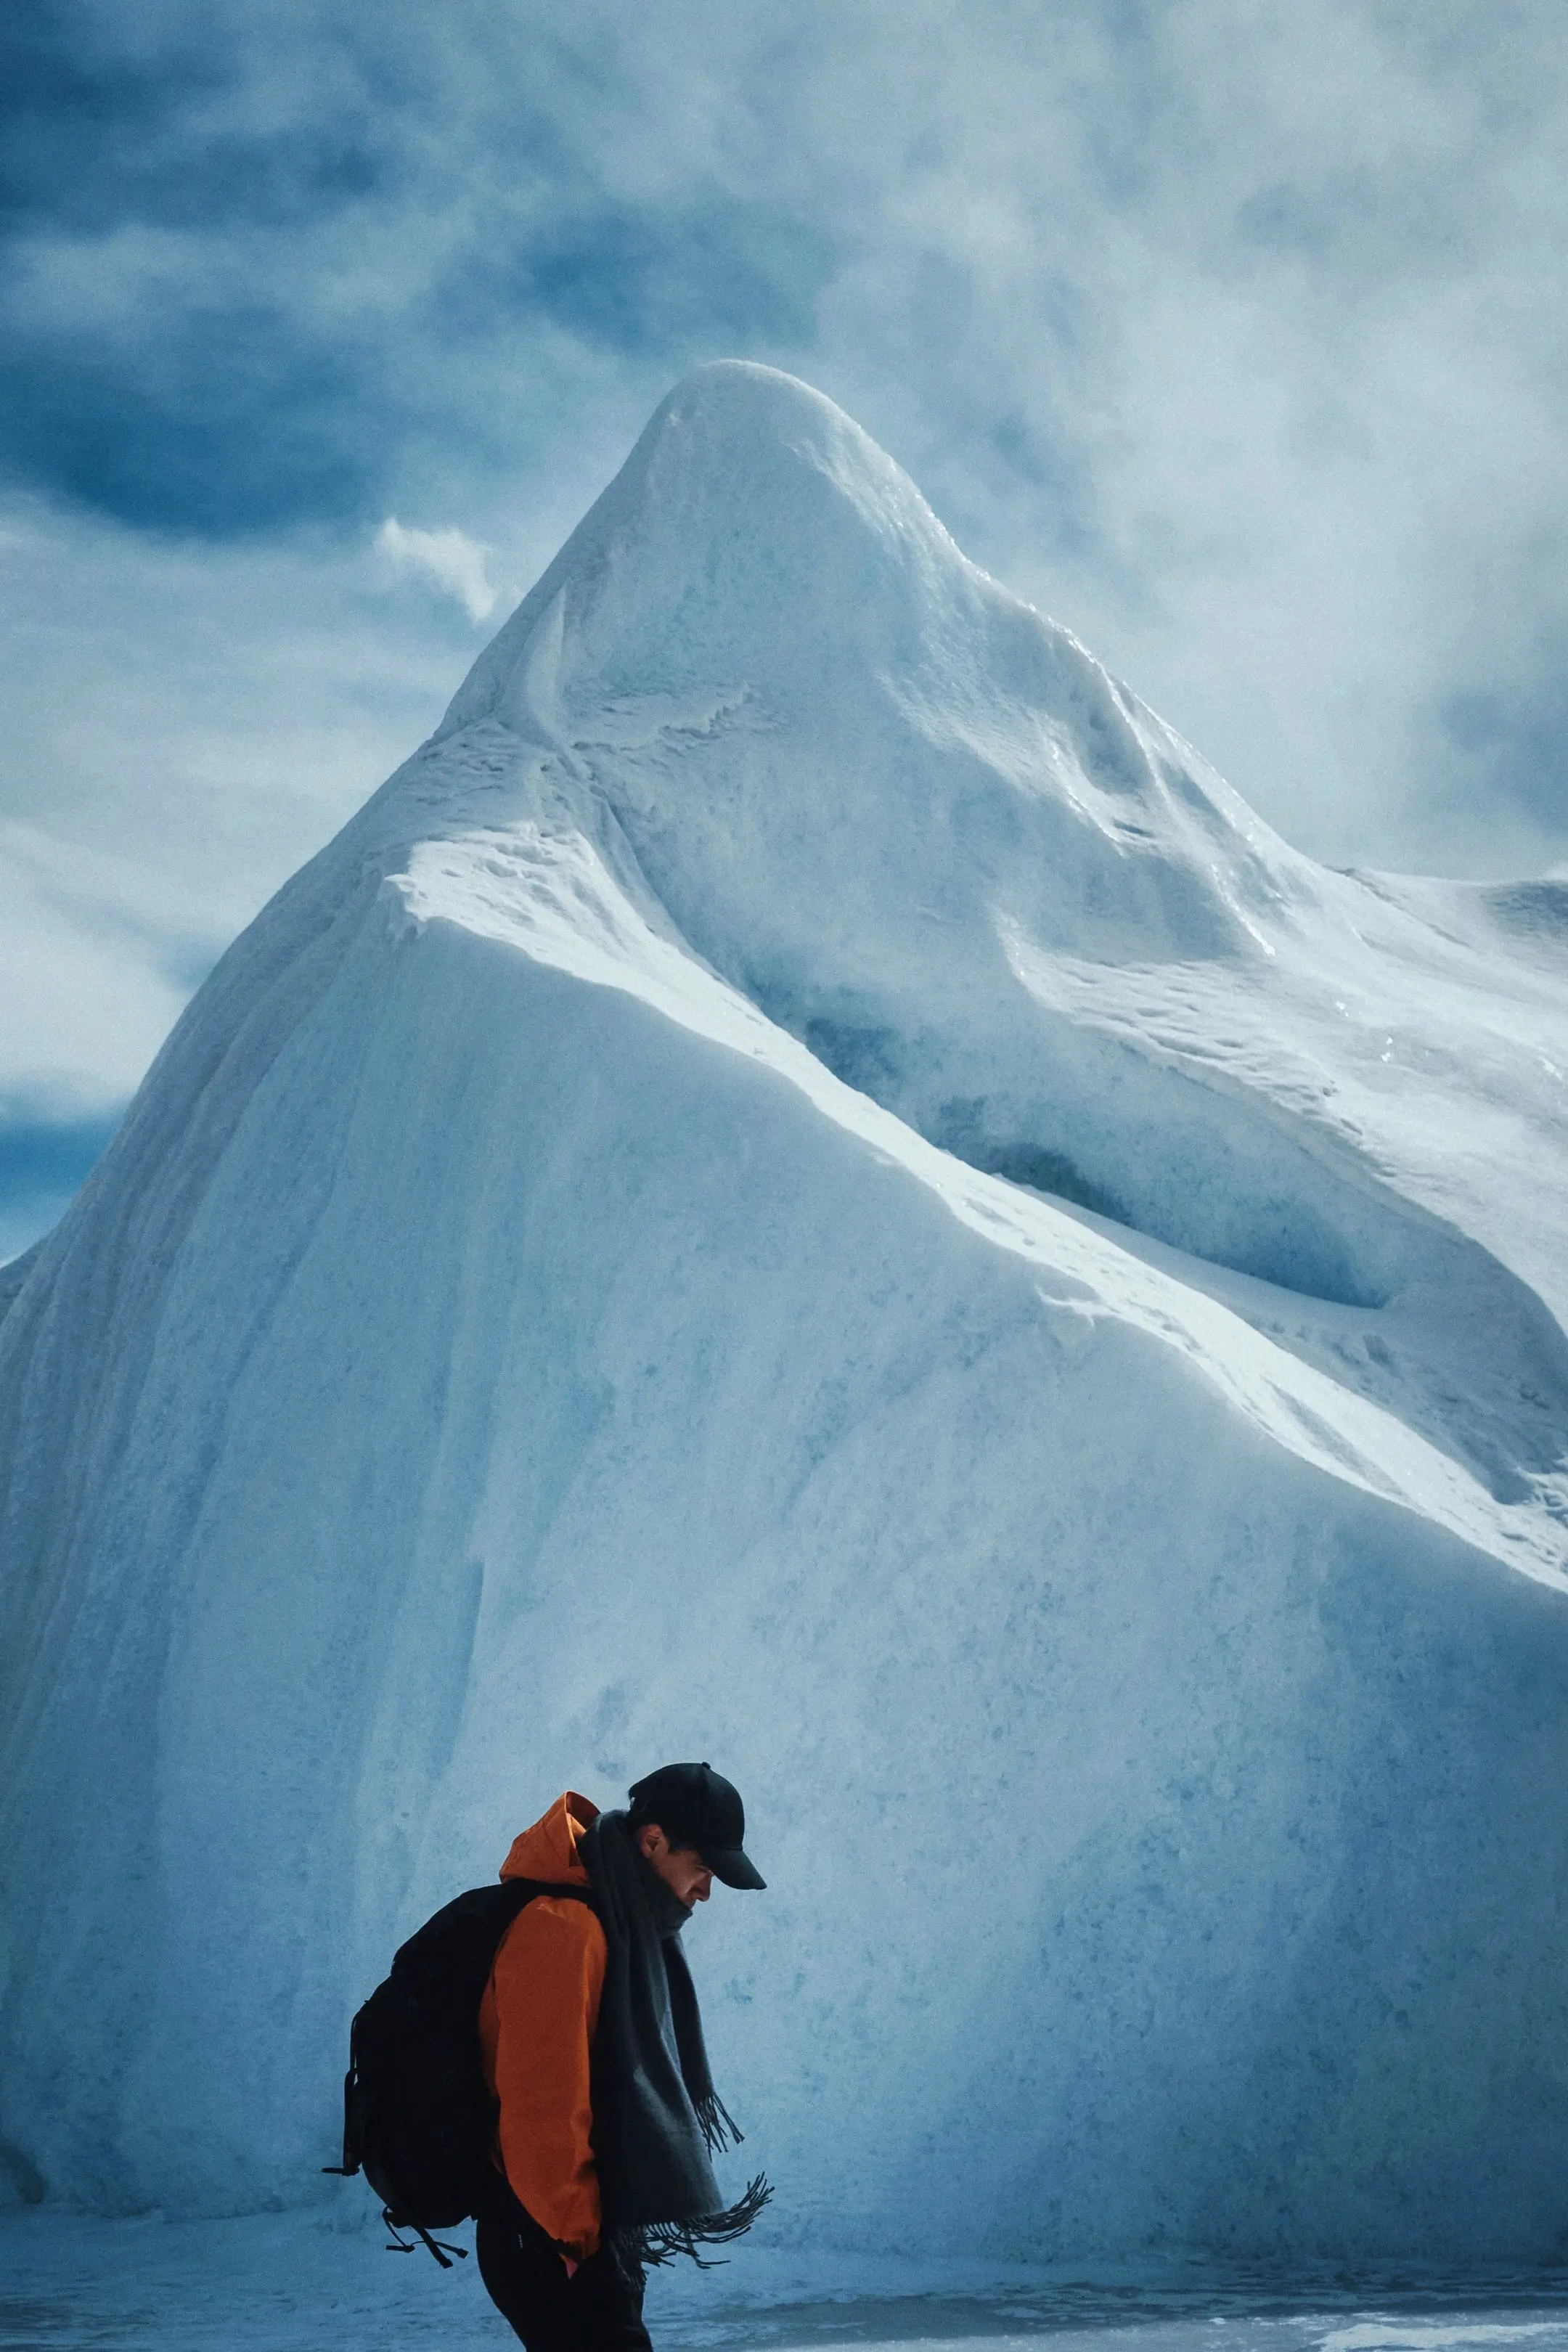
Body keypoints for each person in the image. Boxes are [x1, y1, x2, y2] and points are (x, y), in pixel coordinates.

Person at [475, 1763, 769, 2352]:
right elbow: (543, 2109)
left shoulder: (625, 1923)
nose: (707, 1891)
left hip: (581, 2228)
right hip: (544, 2233)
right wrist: (577, 2244)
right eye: (703, 1868)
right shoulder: (565, 1929)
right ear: (653, 1841)